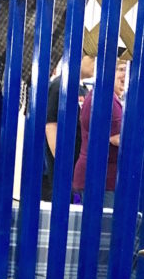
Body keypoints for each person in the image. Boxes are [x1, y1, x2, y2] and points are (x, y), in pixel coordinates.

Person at [71, 59, 127, 207]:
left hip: (92, 178)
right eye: (121, 69)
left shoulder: (99, 95)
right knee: (102, 228)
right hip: (100, 181)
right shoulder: (107, 99)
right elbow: (118, 139)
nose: (125, 75)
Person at [41, 53, 95, 203]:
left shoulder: (83, 90)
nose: (95, 62)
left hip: (77, 165)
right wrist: (62, 161)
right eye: (92, 57)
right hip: (64, 166)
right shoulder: (60, 86)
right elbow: (51, 125)